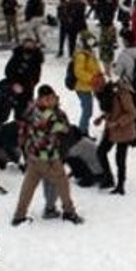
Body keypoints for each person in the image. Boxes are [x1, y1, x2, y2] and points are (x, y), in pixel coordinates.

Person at [11, 85, 84, 226]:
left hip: (33, 155)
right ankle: (69, 212)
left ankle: (19, 215)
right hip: (48, 156)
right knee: (62, 183)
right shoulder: (48, 115)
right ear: (41, 99)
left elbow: (23, 131)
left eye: (52, 98)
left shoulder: (30, 110)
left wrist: (25, 149)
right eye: (48, 99)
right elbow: (63, 128)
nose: (51, 101)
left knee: (28, 186)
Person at [94, 78, 136, 195]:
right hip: (111, 129)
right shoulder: (104, 94)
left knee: (120, 158)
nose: (94, 90)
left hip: (124, 131)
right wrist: (102, 118)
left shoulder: (121, 93)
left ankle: (120, 185)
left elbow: (132, 113)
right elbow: (111, 109)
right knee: (101, 152)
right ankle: (108, 178)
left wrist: (117, 123)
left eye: (96, 87)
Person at [70, 30, 103, 135]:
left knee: (87, 111)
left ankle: (84, 131)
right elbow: (78, 72)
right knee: (87, 111)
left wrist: (100, 75)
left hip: (88, 86)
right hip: (82, 87)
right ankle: (82, 133)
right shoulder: (81, 55)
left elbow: (95, 67)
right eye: (90, 41)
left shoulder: (89, 53)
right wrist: (92, 78)